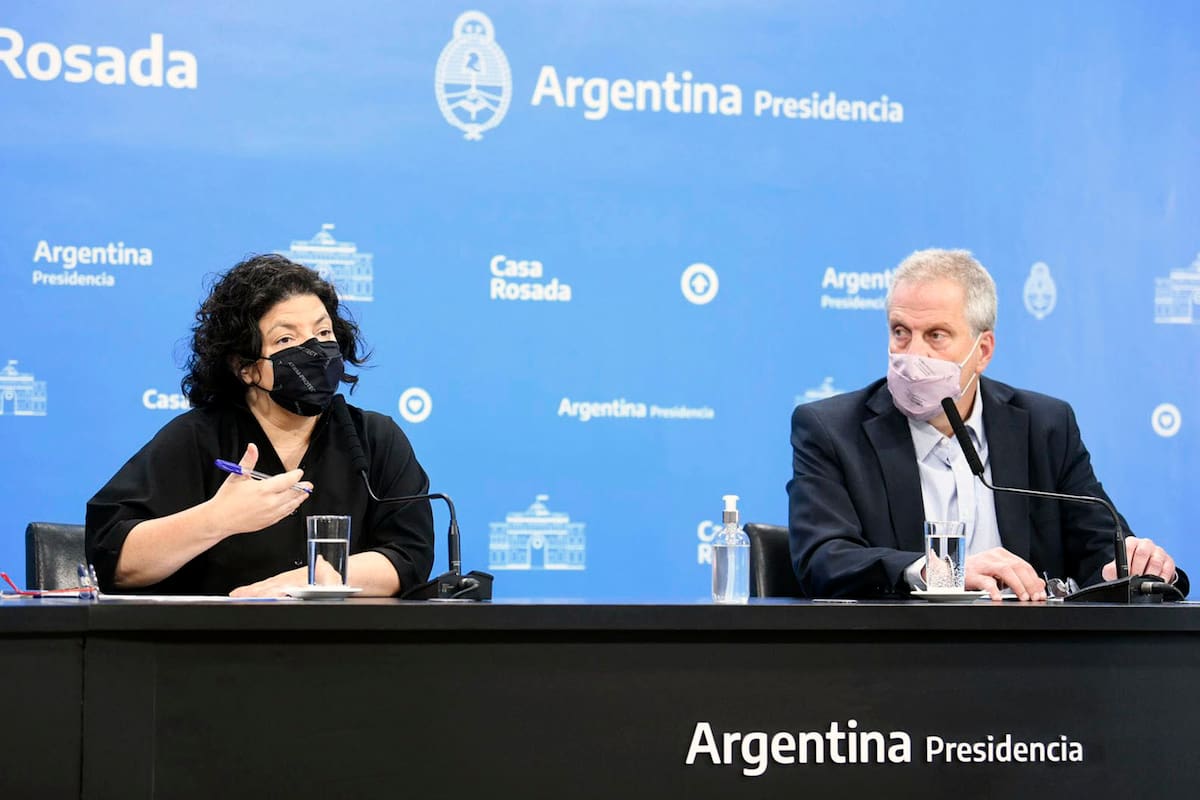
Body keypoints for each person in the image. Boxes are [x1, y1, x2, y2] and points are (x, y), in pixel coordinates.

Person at [787, 248, 1185, 601]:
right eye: (900, 332)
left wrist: (1130, 568)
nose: (913, 354)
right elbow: (823, 558)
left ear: (983, 351)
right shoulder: (832, 430)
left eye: (936, 335)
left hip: (1028, 651)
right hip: (899, 652)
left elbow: (1099, 550)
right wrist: (939, 573)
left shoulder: (1045, 427)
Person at [86, 254, 434, 597]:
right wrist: (216, 519)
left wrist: (308, 581)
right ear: (246, 368)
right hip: (218, 634)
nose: (314, 350)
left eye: (323, 332)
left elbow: (408, 556)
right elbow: (113, 559)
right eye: (286, 340)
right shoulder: (197, 439)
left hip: (343, 635)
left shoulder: (375, 438)